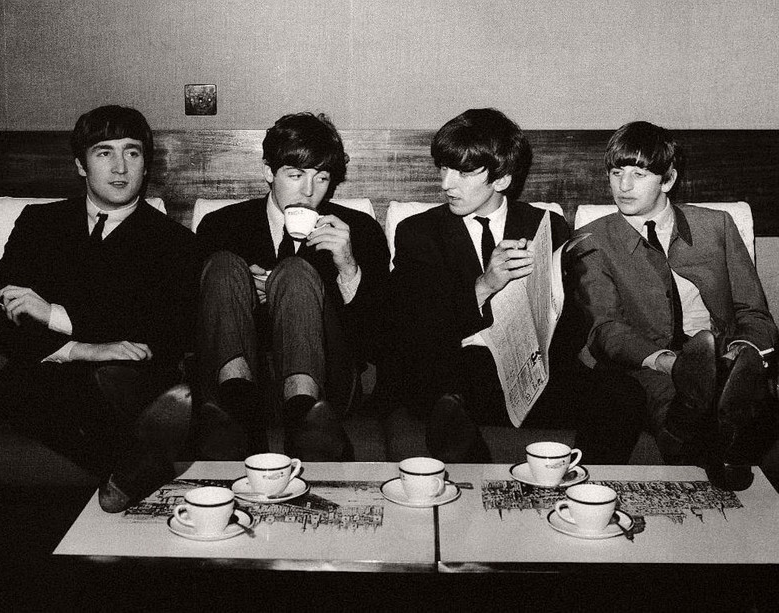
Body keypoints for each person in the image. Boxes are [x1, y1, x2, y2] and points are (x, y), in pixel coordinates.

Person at [0, 105, 199, 511]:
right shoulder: (38, 224)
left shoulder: (174, 242)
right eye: (104, 152)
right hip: (46, 375)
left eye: (132, 152)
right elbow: (4, 325)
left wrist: (52, 314)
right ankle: (137, 463)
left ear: (145, 165)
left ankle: (130, 462)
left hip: (126, 379)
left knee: (107, 380)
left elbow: (158, 331)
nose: (120, 167)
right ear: (81, 165)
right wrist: (85, 349)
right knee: (24, 385)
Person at [573, 121, 778, 490]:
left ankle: (715, 423)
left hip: (723, 358)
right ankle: (715, 444)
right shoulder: (592, 239)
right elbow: (605, 329)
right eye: (616, 173)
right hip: (647, 362)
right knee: (675, 400)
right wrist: (670, 363)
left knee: (733, 388)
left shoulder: (716, 226)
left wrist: (738, 353)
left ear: (667, 179)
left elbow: (754, 313)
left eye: (638, 174)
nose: (623, 186)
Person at [383, 108, 582, 462]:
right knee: (447, 385)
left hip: (530, 375)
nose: (446, 184)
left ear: (501, 179)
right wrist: (485, 284)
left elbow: (573, 324)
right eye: (443, 168)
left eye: (462, 172)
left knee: (621, 392)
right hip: (454, 375)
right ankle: (477, 477)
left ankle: (577, 484)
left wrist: (548, 301)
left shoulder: (546, 226)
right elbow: (416, 327)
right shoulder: (418, 232)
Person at [194, 112, 389, 461]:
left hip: (327, 386)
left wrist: (347, 267)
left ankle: (303, 416)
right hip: (239, 381)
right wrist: (244, 296)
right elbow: (190, 326)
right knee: (223, 265)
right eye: (296, 175)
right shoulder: (221, 226)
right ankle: (239, 411)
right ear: (269, 172)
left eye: (322, 177)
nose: (309, 191)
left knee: (296, 271)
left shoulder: (357, 230)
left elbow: (377, 340)